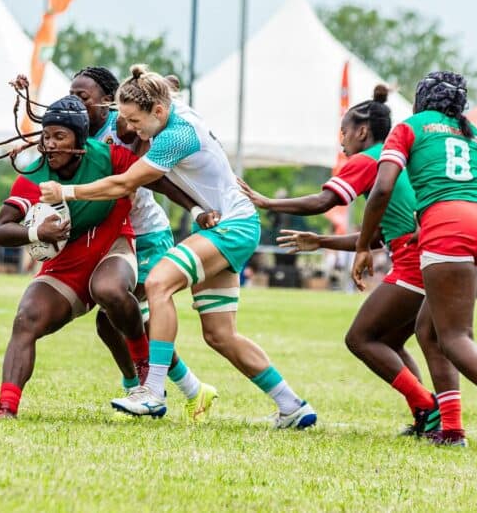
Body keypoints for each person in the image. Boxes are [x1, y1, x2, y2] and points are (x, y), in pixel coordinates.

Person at [40, 64, 316, 428]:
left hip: (231, 226)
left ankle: (153, 391)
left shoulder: (176, 135)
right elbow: (163, 89)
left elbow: (124, 184)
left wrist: (66, 192)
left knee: (158, 283)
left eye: (135, 122)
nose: (132, 130)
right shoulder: (171, 108)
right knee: (220, 335)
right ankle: (292, 406)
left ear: (157, 111)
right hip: (235, 223)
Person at [0, 94, 209, 419]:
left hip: (113, 248)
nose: (50, 144)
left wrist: (197, 207)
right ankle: (6, 406)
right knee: (25, 320)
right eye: (46, 136)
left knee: (109, 292)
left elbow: (154, 177)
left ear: (79, 136)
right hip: (65, 266)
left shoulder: (108, 155)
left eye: (59, 136)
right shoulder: (36, 175)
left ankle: (145, 374)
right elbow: (0, 230)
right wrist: (36, 232)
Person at [239, 86, 440, 436]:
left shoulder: (366, 160)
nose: (341, 142)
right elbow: (375, 237)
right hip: (429, 258)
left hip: (413, 261)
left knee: (360, 338)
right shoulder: (394, 160)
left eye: (344, 133)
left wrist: (268, 203)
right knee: (389, 341)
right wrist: (321, 240)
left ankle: (427, 405)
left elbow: (323, 201)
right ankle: (425, 414)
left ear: (362, 131)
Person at [352, 71, 477, 450]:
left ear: (422, 99)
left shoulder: (409, 127)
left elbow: (383, 187)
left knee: (453, 335)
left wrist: (362, 246)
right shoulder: (474, 134)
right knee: (430, 330)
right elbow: (461, 186)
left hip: (450, 225)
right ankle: (451, 430)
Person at [69, 66, 218, 422]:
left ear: (108, 103)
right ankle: (155, 388)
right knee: (110, 322)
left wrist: (196, 208)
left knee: (129, 316)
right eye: (70, 93)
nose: (74, 101)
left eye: (82, 96)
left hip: (146, 235)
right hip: (111, 237)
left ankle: (155, 391)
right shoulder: (72, 134)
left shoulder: (122, 127)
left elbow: (155, 179)